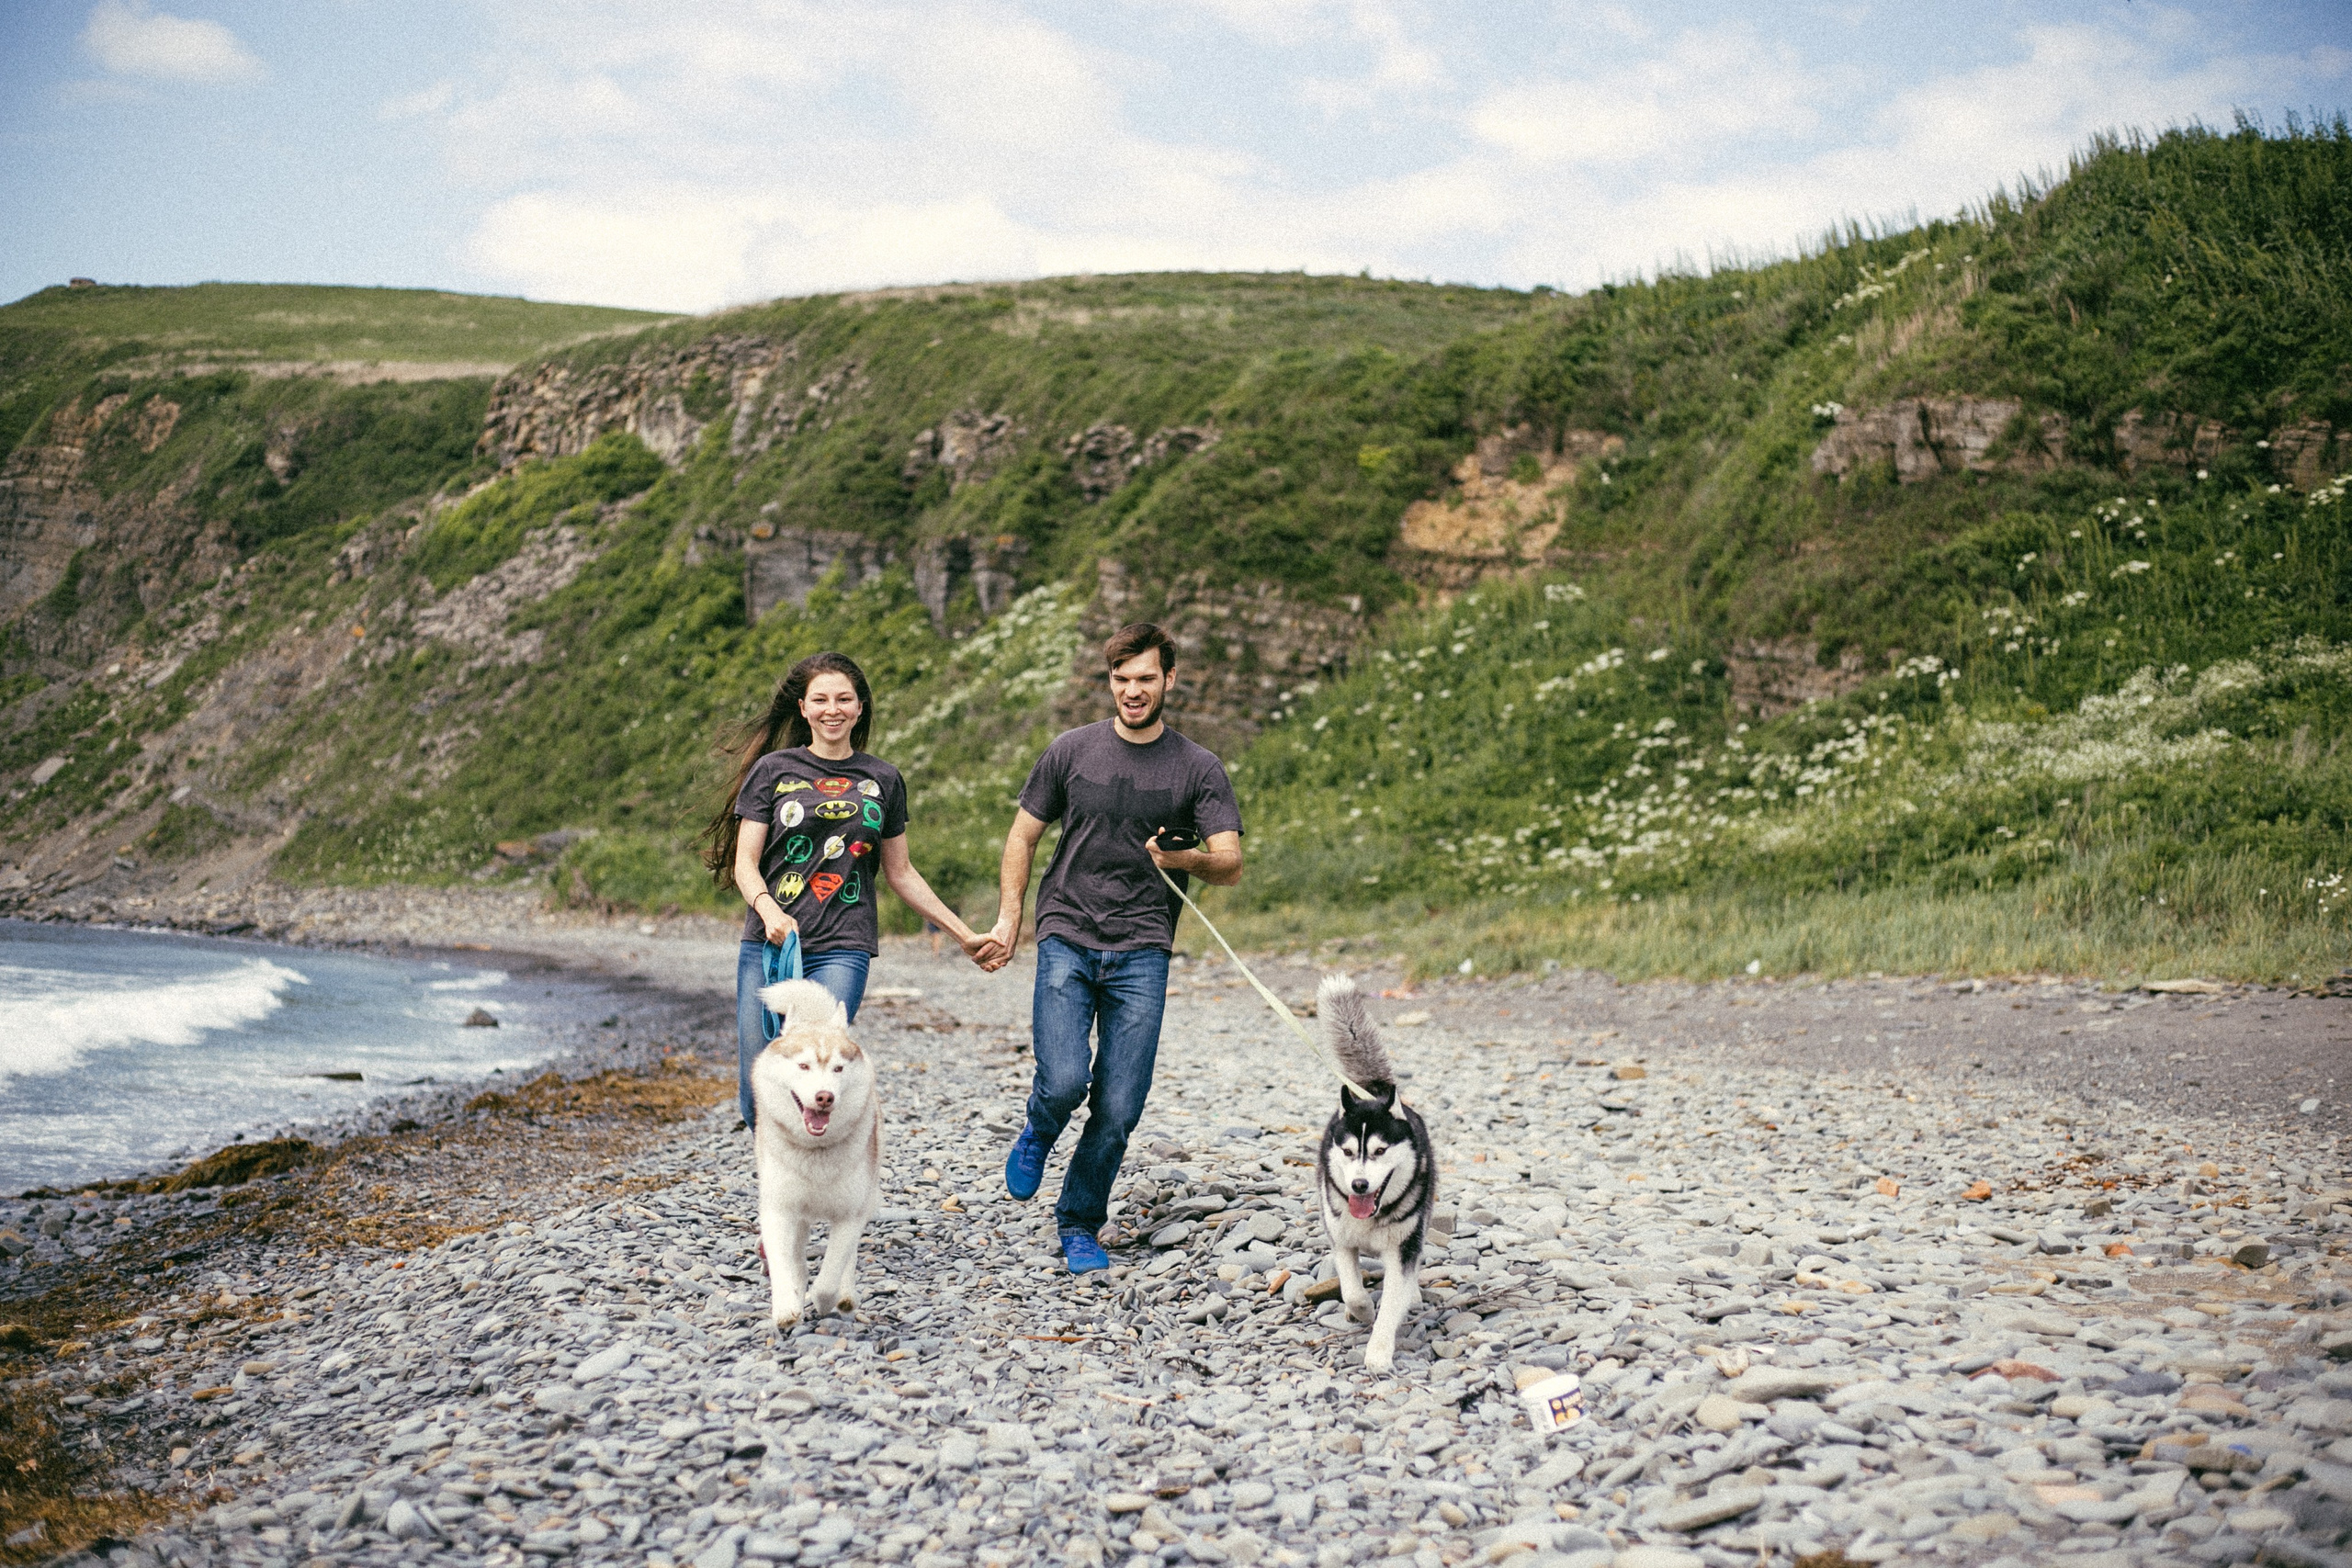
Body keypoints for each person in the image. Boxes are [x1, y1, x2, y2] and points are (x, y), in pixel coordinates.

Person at [981, 623, 1244, 1273]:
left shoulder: (1198, 766)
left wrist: (1180, 857)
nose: (1132, 690)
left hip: (1144, 945)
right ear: (1110, 681)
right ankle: (1040, 1126)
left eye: (1145, 678)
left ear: (1169, 680)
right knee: (1066, 1078)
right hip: (1066, 932)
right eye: (1121, 679)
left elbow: (1230, 861)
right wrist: (1011, 917)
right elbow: (1022, 837)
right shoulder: (1070, 751)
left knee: (1121, 1106)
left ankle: (1078, 1220)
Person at [703, 650, 998, 1130]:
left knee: (817, 1063)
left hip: (845, 944)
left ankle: (817, 1187)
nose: (832, 709)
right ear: (803, 708)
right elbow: (744, 864)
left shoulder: (882, 779)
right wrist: (769, 911)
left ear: (860, 708)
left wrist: (963, 934)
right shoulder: (773, 771)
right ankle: (785, 1177)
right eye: (820, 699)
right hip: (767, 944)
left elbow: (901, 873)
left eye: (844, 698)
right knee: (758, 1089)